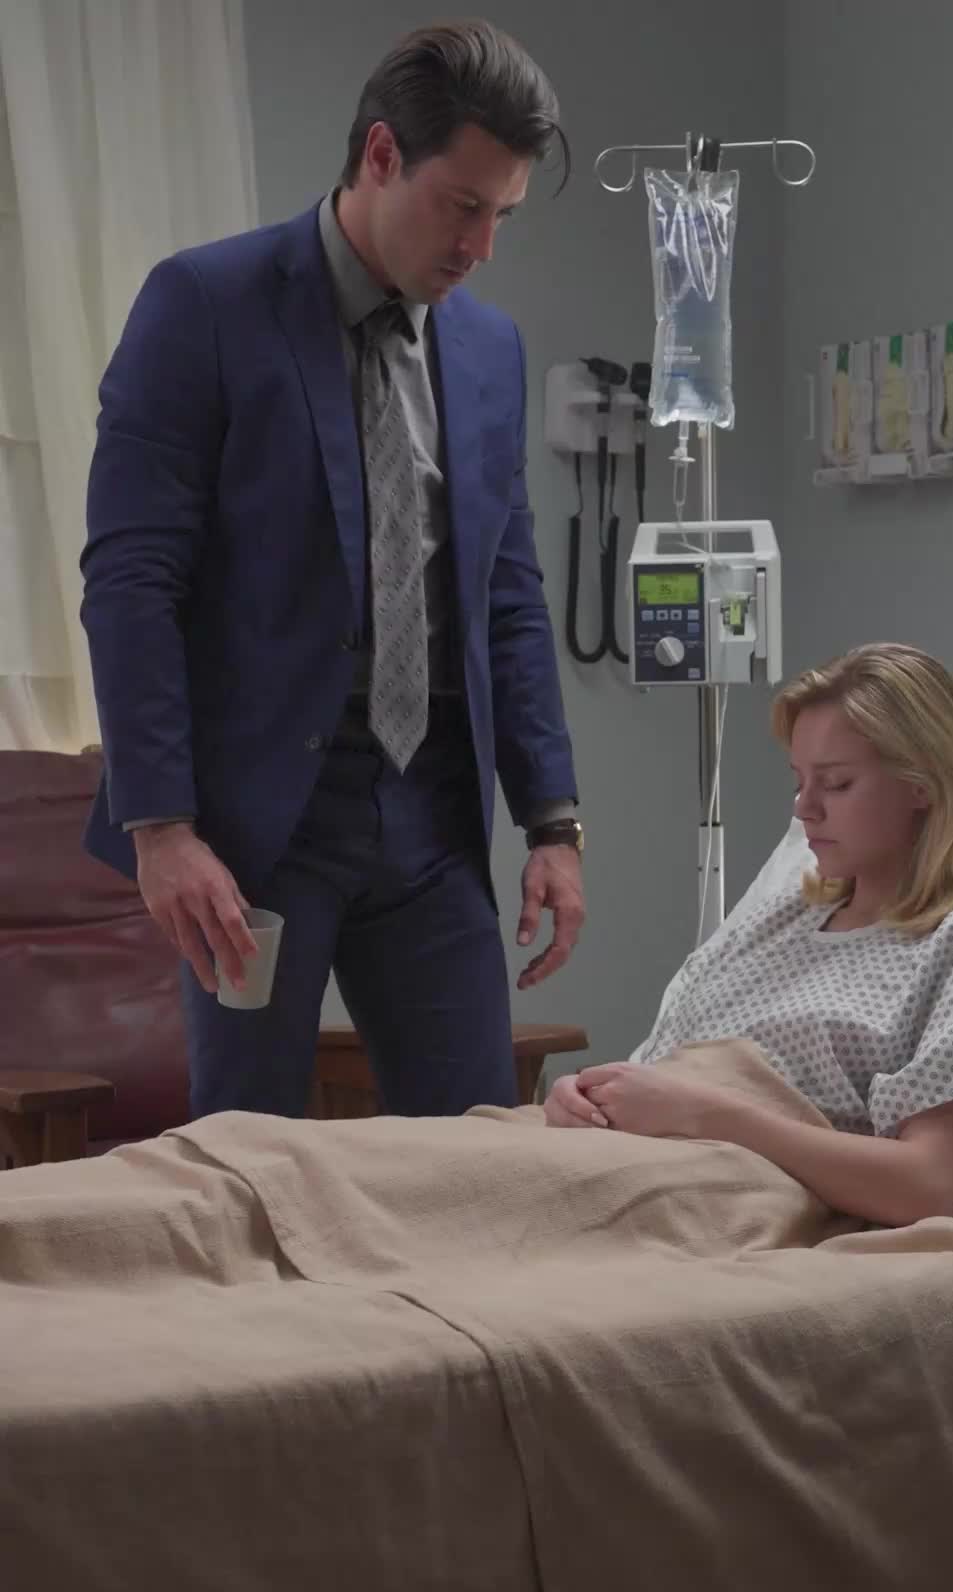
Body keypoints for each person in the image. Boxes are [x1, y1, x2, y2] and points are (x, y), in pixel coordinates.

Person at [80, 20, 584, 1123]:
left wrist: (552, 820)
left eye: (502, 216)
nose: (480, 247)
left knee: (476, 1157)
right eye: (463, 207)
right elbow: (131, 581)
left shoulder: (489, 350)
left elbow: (508, 595)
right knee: (247, 1157)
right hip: (258, 828)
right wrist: (161, 829)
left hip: (433, 817)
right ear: (380, 154)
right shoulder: (203, 305)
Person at [546, 645, 953, 1227]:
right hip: (615, 1156)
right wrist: (583, 1096)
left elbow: (925, 1186)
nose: (804, 808)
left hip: (707, 1193)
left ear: (925, 785)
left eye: (835, 784)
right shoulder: (774, 921)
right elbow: (662, 1075)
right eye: (800, 780)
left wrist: (706, 1115)